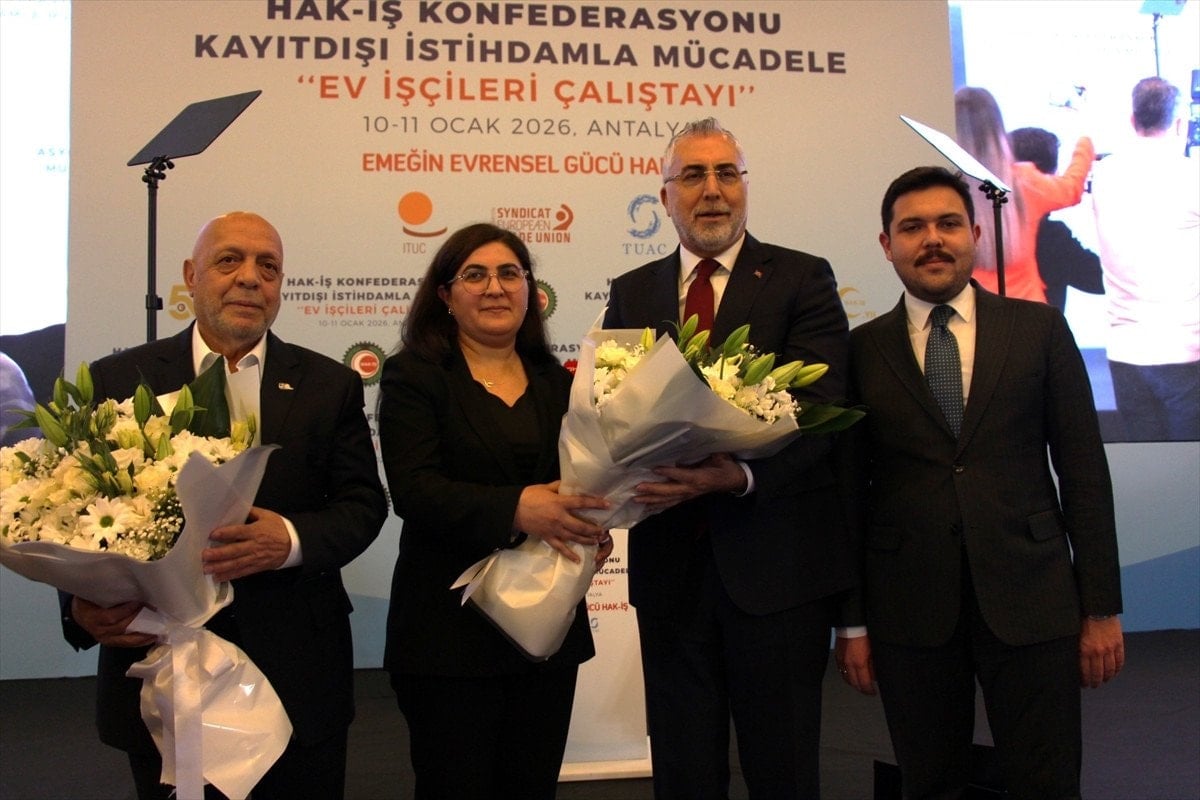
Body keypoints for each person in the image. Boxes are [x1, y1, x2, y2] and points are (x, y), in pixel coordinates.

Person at [61, 211, 388, 799]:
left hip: (295, 670)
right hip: (159, 667)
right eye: (229, 260)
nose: (250, 278)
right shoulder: (120, 378)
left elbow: (363, 505)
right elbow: (70, 511)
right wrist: (80, 606)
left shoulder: (327, 384)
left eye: (269, 266)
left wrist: (289, 540)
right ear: (191, 276)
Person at [836, 167, 1125, 799]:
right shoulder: (859, 351)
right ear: (887, 244)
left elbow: (1083, 472)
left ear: (975, 233)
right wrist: (851, 623)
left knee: (1047, 782)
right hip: (908, 608)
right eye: (912, 228)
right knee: (930, 782)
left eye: (948, 224)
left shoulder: (1039, 330)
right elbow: (848, 495)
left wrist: (1101, 606)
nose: (932, 240)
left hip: (1033, 598)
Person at [603, 118, 855, 799]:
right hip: (669, 575)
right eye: (692, 175)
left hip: (778, 574)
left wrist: (739, 475)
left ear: (745, 186)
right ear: (665, 196)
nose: (711, 190)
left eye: (725, 174)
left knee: (784, 769)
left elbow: (821, 410)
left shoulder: (802, 278)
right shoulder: (632, 290)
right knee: (684, 771)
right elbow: (614, 412)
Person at [376, 223, 611, 799]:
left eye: (510, 273)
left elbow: (579, 480)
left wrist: (593, 525)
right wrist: (517, 508)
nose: (494, 287)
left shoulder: (559, 382)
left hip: (546, 626)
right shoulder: (414, 376)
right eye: (474, 275)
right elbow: (414, 490)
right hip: (446, 632)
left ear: (530, 290)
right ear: (445, 295)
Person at [1090, 77, 1200, 441]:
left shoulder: (1105, 174)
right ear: (1180, 124)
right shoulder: (1192, 176)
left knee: (1146, 460)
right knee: (1189, 465)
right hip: (1183, 348)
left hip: (1125, 350)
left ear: (1133, 120)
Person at [954, 86, 1095, 303]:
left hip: (974, 314)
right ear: (998, 129)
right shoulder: (1024, 182)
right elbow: (1072, 189)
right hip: (1030, 313)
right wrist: (1085, 142)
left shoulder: (948, 192)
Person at [1008, 126, 1104, 314]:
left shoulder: (981, 230)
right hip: (1038, 330)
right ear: (1049, 176)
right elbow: (1101, 280)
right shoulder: (1052, 237)